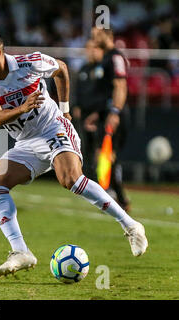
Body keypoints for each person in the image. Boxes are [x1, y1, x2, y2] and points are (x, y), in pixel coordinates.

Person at [0, 29, 147, 277]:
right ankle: (21, 251)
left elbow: (61, 68)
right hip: (26, 142)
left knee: (70, 179)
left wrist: (64, 110)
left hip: (53, 129)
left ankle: (131, 226)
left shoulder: (28, 64)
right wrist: (23, 107)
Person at [89, 26, 131, 211]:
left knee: (106, 156)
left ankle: (117, 198)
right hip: (104, 114)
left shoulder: (115, 57)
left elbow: (120, 86)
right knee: (103, 156)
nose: (94, 39)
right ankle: (117, 198)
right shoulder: (104, 58)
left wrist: (115, 112)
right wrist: (97, 114)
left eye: (97, 35)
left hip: (113, 114)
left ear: (108, 35)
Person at [72, 39, 105, 179]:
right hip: (84, 115)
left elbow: (105, 93)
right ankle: (86, 178)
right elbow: (78, 90)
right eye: (89, 48)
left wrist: (98, 113)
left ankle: (103, 181)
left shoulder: (103, 69)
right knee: (84, 148)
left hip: (100, 115)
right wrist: (76, 106)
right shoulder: (83, 69)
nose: (91, 51)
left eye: (94, 48)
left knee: (101, 149)